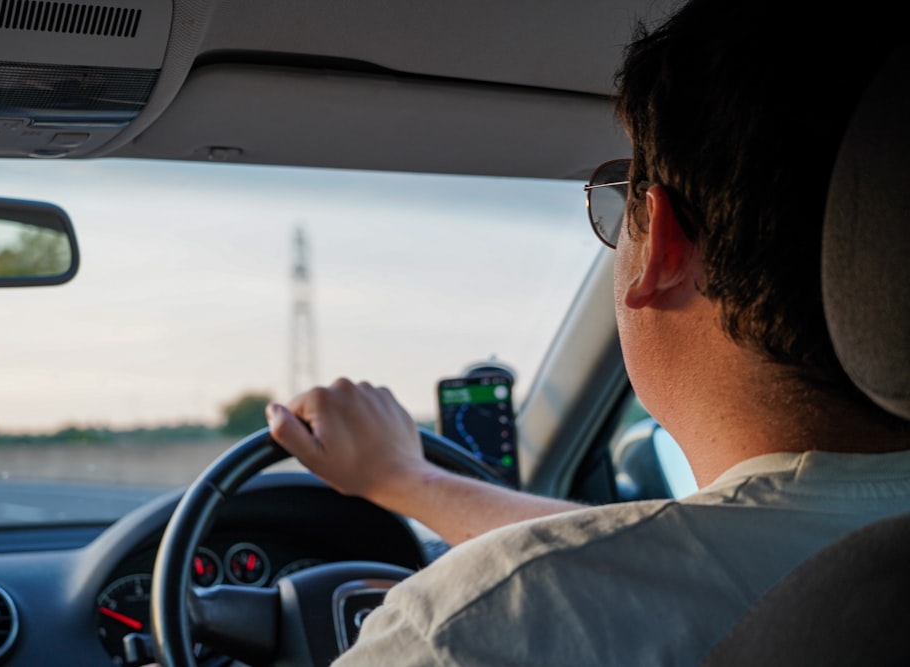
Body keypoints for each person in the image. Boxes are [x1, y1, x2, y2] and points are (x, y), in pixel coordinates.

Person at [266, 1, 910, 664]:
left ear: (660, 246)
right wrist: (406, 478)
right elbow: (670, 554)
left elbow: (629, 568)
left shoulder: (476, 628)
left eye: (622, 188)